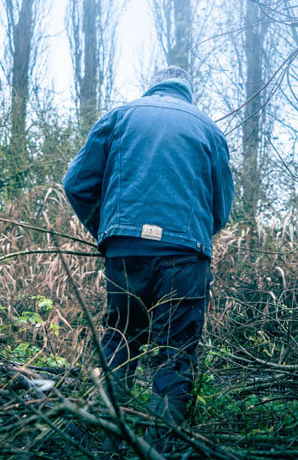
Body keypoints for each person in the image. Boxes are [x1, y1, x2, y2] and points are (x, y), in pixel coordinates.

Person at [62, 66, 234, 453]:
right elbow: (221, 206)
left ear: (153, 83)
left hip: (126, 251)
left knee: (121, 339)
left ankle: (101, 441)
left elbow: (76, 184)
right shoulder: (208, 128)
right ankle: (161, 449)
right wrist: (194, 236)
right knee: (175, 352)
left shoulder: (120, 116)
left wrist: (108, 231)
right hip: (185, 256)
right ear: (187, 90)